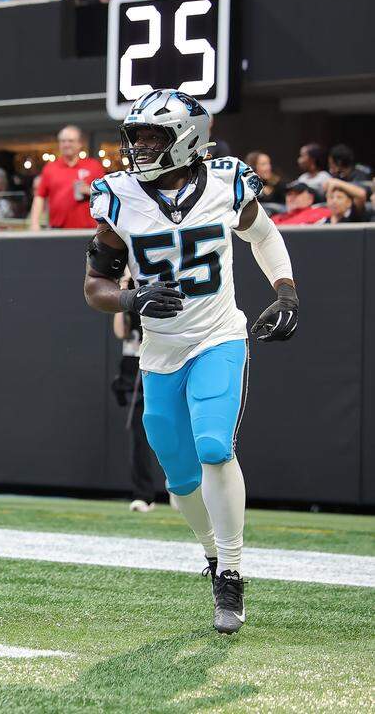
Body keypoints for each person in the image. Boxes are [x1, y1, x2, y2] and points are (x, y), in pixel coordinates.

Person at [84, 89, 299, 634]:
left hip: (218, 336)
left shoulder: (228, 181)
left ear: (188, 137)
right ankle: (209, 551)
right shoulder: (118, 196)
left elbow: (262, 233)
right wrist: (131, 298)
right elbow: (95, 286)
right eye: (137, 137)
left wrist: (286, 292)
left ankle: (231, 571)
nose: (141, 147)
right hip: (160, 350)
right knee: (178, 473)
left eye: (153, 136)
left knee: (212, 445)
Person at [112, 273, 160, 512]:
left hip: (163, 361)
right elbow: (121, 331)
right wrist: (123, 287)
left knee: (173, 429)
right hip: (135, 366)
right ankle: (144, 494)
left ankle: (180, 488)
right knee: (139, 433)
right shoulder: (128, 294)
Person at [30, 125, 106, 230]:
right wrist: (34, 223)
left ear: (79, 144)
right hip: (57, 229)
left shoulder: (93, 166)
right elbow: (39, 196)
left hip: (89, 229)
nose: (66, 144)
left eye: (70, 141)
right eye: (63, 141)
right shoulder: (50, 168)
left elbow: (107, 195)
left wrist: (90, 190)